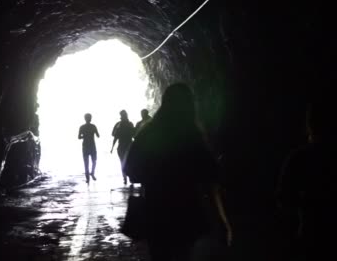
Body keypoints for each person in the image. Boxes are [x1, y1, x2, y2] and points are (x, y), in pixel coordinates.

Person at [124, 83, 232, 260]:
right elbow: (210, 180)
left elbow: (132, 170)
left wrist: (154, 177)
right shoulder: (192, 136)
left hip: (156, 211)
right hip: (187, 211)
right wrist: (221, 220)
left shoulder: (148, 133)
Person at [276, 100, 337, 260]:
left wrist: (307, 204)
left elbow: (283, 199)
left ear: (309, 124)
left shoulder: (300, 158)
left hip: (311, 239)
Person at [111, 110, 135, 185]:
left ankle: (125, 177)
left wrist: (112, 147)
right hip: (128, 145)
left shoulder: (119, 124)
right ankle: (128, 176)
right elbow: (134, 134)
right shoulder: (129, 124)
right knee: (128, 162)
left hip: (122, 145)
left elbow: (114, 136)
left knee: (123, 162)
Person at [78, 113, 100, 184]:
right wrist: (92, 134)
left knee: (86, 162)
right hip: (92, 146)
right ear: (90, 118)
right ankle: (92, 173)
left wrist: (84, 136)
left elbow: (79, 137)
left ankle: (88, 178)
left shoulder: (82, 127)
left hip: (85, 146)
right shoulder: (93, 126)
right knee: (94, 161)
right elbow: (98, 135)